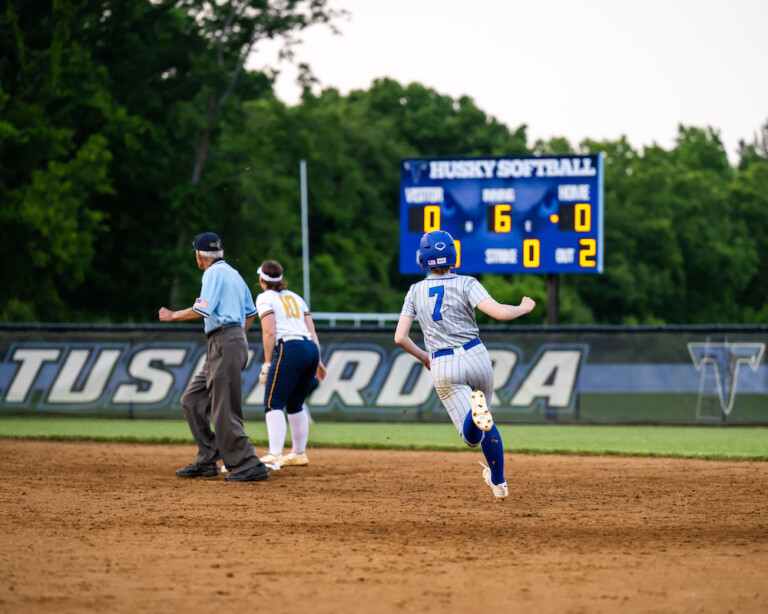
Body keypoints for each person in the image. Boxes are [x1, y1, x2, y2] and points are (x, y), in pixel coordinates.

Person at [394, 230, 536, 499]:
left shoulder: (415, 291)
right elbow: (500, 312)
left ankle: (476, 418)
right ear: (452, 255)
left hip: (443, 363)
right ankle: (499, 482)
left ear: (423, 259)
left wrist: (424, 356)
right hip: (476, 356)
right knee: (488, 423)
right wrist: (523, 307)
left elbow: (400, 337)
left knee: (472, 437)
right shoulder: (467, 283)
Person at [158, 232, 269, 482]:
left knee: (223, 408)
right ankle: (208, 458)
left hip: (224, 341)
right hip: (228, 340)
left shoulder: (212, 273)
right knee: (193, 400)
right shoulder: (234, 274)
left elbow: (202, 308)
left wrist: (173, 315)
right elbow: (251, 312)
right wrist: (238, 335)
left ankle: (248, 463)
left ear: (199, 255)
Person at [255, 260, 326, 467]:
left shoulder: (264, 298)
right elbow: (311, 331)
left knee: (272, 402)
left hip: (290, 348)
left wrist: (268, 363)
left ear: (261, 279)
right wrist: (318, 360)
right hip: (309, 349)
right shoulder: (296, 297)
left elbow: (269, 333)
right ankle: (298, 453)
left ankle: (275, 453)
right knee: (295, 403)